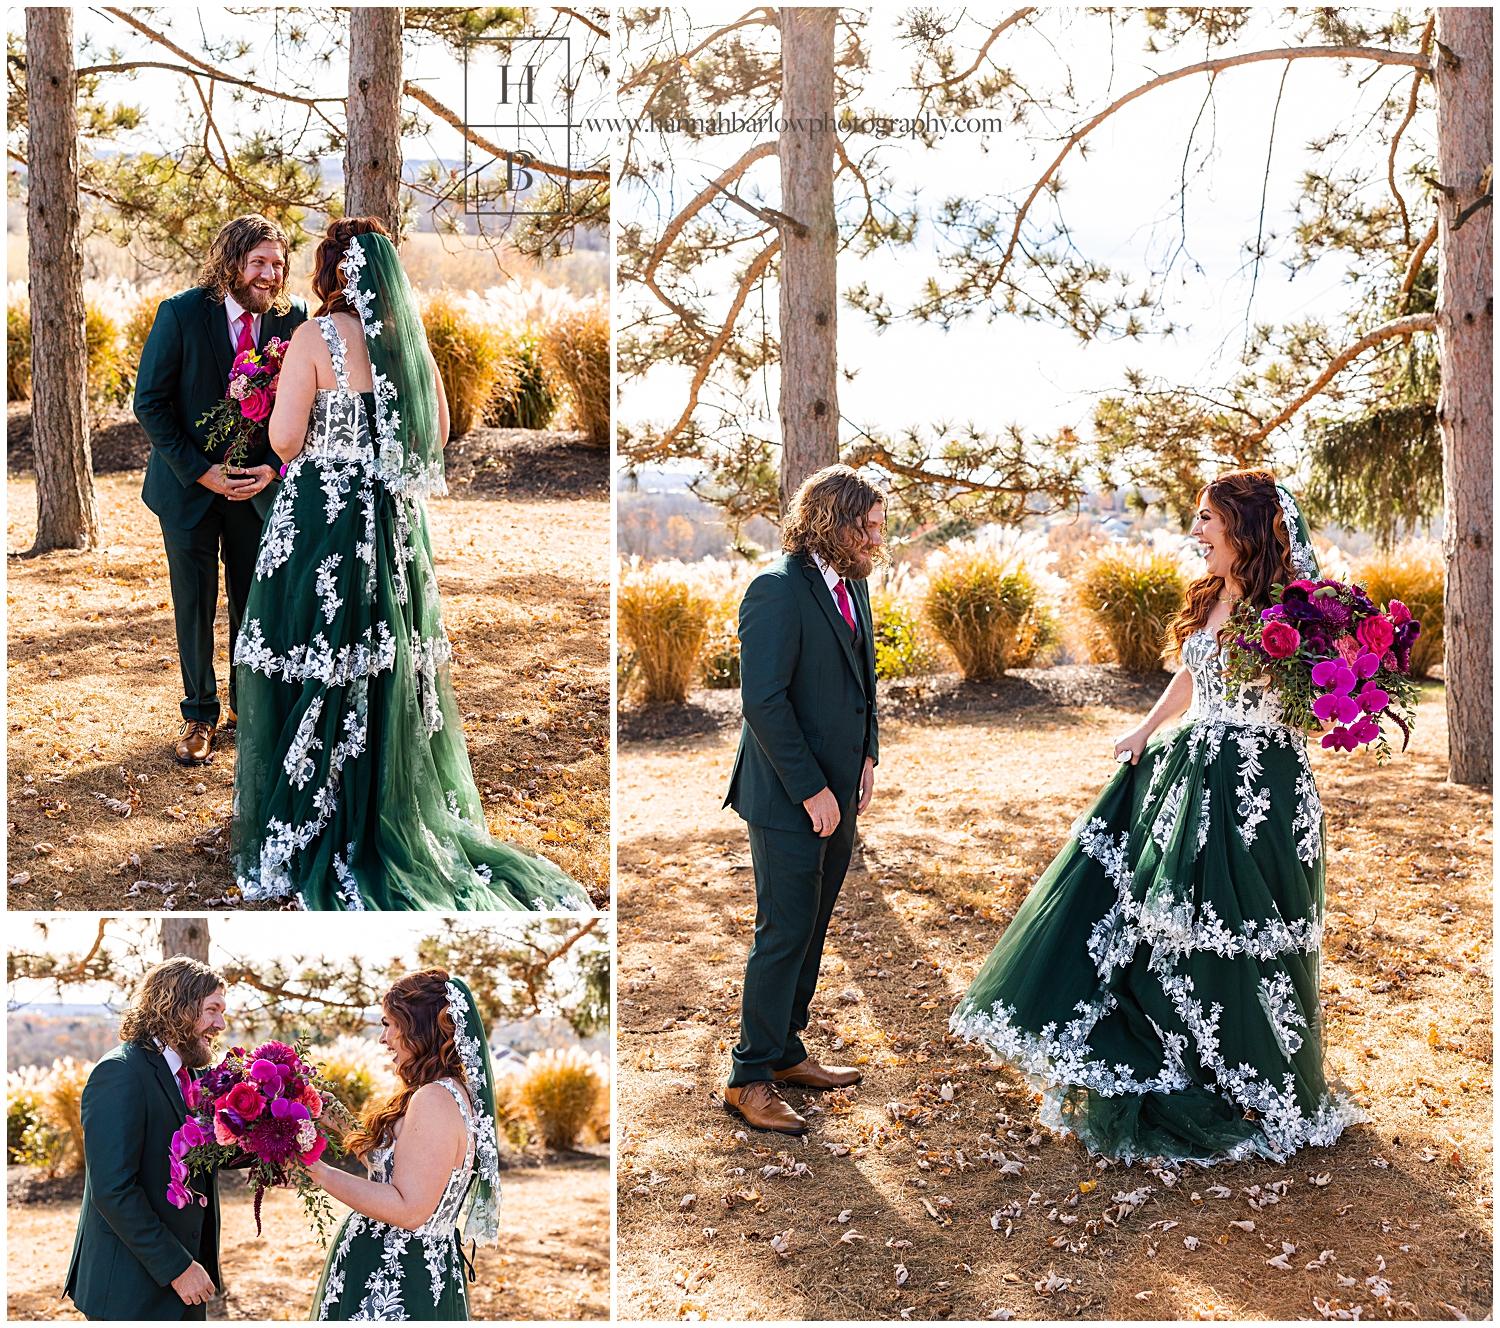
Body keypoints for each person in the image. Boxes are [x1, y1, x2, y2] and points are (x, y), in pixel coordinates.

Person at [952, 469, 1363, 1165]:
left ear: (1244, 527)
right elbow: (1192, 674)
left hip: (1256, 786)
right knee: (1171, 923)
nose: (1195, 532)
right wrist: (1143, 731)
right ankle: (1191, 1059)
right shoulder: (1212, 597)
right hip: (1189, 774)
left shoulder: (1296, 613)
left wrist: (1339, 678)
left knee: (1243, 929)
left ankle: (1255, 1071)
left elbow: (1320, 704)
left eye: (1206, 519)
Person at [229, 218, 589, 910]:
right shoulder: (407, 347)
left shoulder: (313, 337)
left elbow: (284, 437)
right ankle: (386, 800)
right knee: (386, 661)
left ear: (331, 272)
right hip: (391, 525)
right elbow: (440, 431)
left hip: (323, 523)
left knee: (316, 652)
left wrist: (274, 397)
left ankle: (315, 815)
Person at [721, 465, 885, 1135]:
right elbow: (763, 702)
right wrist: (813, 790)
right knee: (783, 931)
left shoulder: (854, 584)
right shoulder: (776, 591)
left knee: (812, 927)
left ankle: (787, 1051)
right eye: (869, 526)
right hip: (790, 795)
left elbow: (862, 681)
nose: (879, 538)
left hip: (841, 789)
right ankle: (749, 1077)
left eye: (880, 526)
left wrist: (868, 754)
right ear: (832, 524)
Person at [134, 215, 310, 765]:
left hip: (256, 488)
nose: (269, 274)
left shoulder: (293, 320)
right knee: (194, 604)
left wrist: (275, 472)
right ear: (233, 262)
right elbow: (151, 403)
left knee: (252, 601)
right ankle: (198, 715)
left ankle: (246, 705)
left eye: (278, 264)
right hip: (188, 488)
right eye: (259, 262)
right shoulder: (181, 312)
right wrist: (201, 470)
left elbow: (308, 411)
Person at [307, 970, 503, 1321]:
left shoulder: (435, 1099)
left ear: (419, 1027)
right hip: (386, 1267)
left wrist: (318, 1172)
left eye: (389, 1024)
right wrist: (332, 1116)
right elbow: (399, 1163)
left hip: (398, 1282)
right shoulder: (437, 1091)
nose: (383, 1038)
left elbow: (410, 1209)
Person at [65, 956, 232, 1320]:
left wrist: (271, 1142)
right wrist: (177, 1267)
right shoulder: (119, 1073)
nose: (220, 1024)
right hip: (131, 1290)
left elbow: (197, 1157)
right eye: (212, 1010)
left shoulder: (185, 1075)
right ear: (178, 1007)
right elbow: (113, 1190)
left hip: (183, 1285)